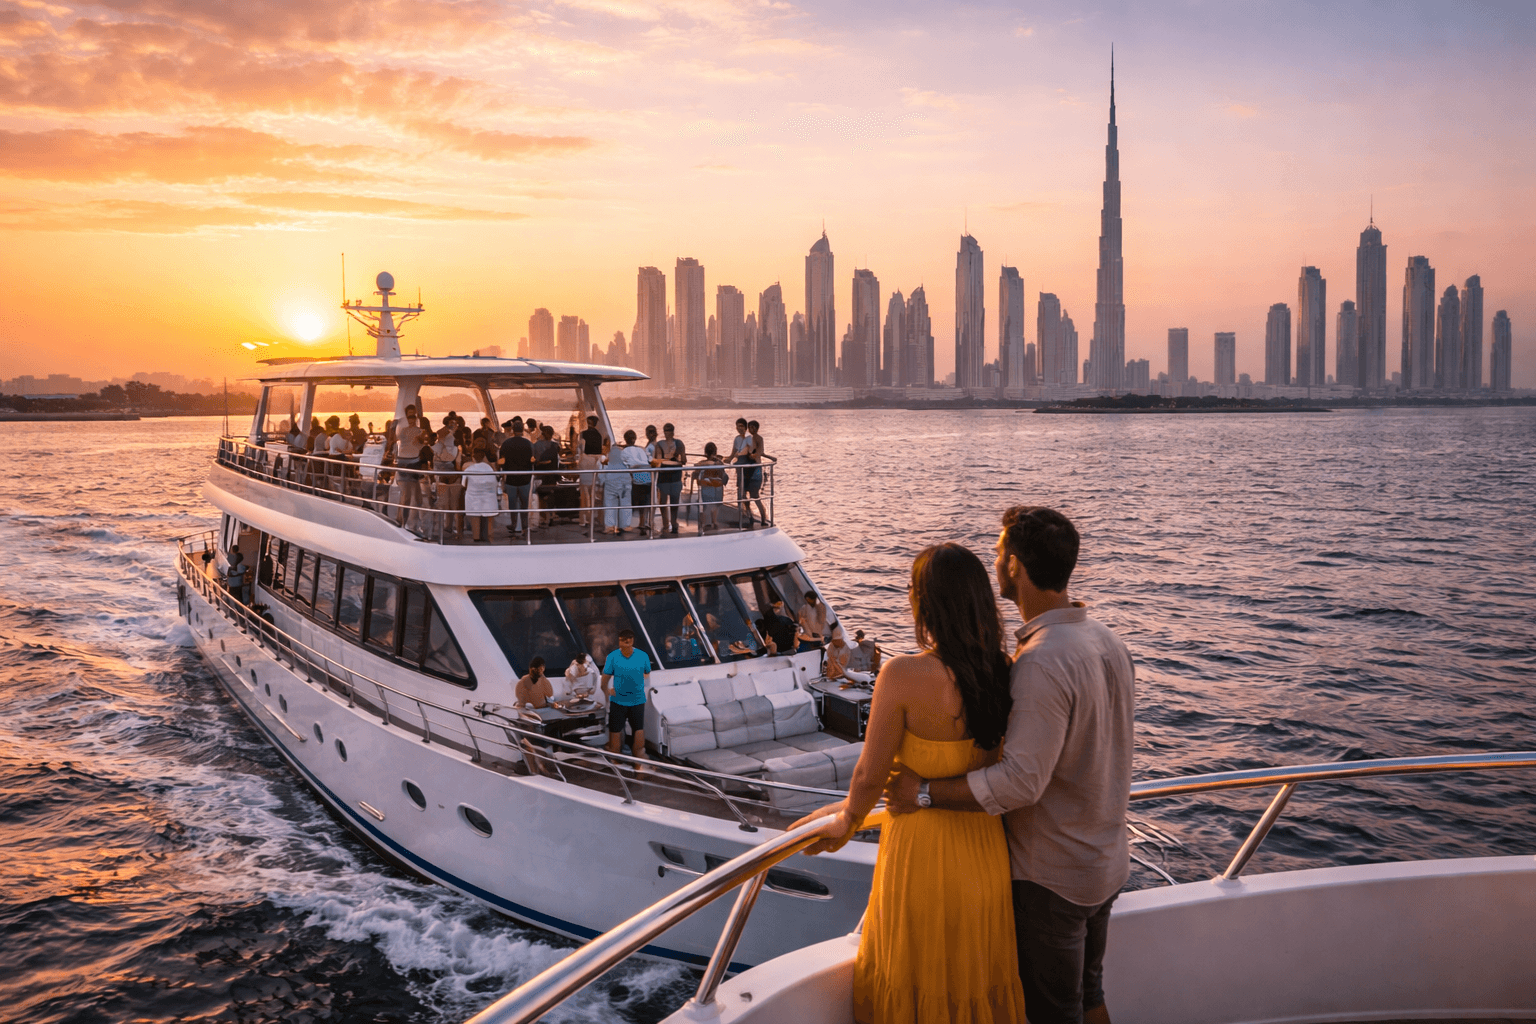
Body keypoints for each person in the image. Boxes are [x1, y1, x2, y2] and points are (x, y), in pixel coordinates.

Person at [885, 507, 1135, 1024]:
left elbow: (1020, 781)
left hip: (1053, 879)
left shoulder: (1042, 660)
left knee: (1053, 1014)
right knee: (1091, 999)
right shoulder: (1106, 640)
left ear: (1016, 566)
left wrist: (923, 791)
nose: (995, 561)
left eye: (998, 553)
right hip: (1104, 863)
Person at [792, 543, 1023, 1024]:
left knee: (915, 982)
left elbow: (870, 775)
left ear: (925, 602)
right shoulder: (1004, 671)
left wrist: (846, 820)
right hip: (984, 856)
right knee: (972, 983)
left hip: (920, 854)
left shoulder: (903, 674)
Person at [601, 629, 651, 759]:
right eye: (624, 639)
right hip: (630, 700)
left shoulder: (613, 657)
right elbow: (647, 675)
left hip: (627, 701)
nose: (626, 641)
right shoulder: (642, 656)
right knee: (636, 731)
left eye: (627, 639)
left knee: (617, 740)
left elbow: (604, 681)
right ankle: (637, 763)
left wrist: (607, 692)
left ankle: (619, 763)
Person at [394, 404, 428, 528]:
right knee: (406, 496)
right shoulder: (404, 430)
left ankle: (412, 523)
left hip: (415, 463)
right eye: (410, 417)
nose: (412, 419)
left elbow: (421, 443)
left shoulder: (420, 431)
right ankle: (401, 523)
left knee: (418, 497)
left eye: (414, 416)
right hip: (405, 463)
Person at [499, 418, 535, 535]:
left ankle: (514, 525)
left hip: (511, 478)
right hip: (525, 477)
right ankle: (525, 527)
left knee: (513, 504)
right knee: (524, 504)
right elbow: (533, 460)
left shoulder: (506, 444)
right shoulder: (528, 444)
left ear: (513, 430)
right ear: (522, 431)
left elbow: (501, 461)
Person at [601, 429, 639, 534]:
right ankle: (625, 525)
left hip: (611, 480)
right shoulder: (630, 451)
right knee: (625, 503)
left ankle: (609, 526)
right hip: (624, 481)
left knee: (609, 504)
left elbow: (605, 463)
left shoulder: (613, 451)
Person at [461, 441, 500, 543]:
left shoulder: (468, 469)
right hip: (489, 498)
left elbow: (463, 484)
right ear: (484, 457)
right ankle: (489, 536)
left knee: (475, 518)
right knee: (489, 518)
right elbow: (495, 483)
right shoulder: (490, 469)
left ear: (473, 457)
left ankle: (476, 537)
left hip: (473, 497)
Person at [653, 422, 686, 535]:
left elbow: (657, 460)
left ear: (664, 432)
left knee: (662, 502)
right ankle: (674, 523)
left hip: (663, 477)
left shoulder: (659, 444)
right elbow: (684, 460)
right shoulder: (679, 443)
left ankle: (666, 524)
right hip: (675, 477)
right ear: (673, 432)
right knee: (674, 503)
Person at [744, 419, 775, 525]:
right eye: (749, 427)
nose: (751, 429)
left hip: (756, 469)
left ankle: (762, 519)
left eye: (753, 427)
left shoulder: (759, 438)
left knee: (755, 495)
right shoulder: (748, 439)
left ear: (757, 428)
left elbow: (760, 451)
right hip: (747, 469)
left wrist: (753, 455)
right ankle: (749, 516)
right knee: (743, 494)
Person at [578, 415, 606, 526]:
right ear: (596, 423)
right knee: (594, 493)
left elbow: (579, 449)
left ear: (587, 422)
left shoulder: (583, 434)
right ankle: (594, 518)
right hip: (596, 463)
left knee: (584, 494)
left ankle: (583, 519)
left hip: (586, 462)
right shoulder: (599, 435)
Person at [533, 424, 562, 527]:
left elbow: (536, 458)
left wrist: (538, 463)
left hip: (542, 474)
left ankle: (544, 518)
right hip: (553, 473)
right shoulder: (556, 445)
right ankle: (551, 515)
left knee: (542, 497)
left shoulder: (538, 445)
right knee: (549, 495)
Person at [631, 424, 658, 535]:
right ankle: (645, 521)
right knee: (647, 499)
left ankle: (645, 522)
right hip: (648, 474)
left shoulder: (651, 446)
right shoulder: (653, 445)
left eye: (649, 432)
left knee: (646, 498)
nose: (648, 434)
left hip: (647, 474)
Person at [695, 442, 728, 531]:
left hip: (707, 485)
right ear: (715, 452)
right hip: (718, 486)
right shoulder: (719, 463)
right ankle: (714, 522)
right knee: (715, 505)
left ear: (705, 453)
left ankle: (706, 523)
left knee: (707, 505)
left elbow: (696, 471)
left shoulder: (701, 463)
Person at [729, 417, 753, 522]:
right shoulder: (737, 439)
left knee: (744, 490)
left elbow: (750, 451)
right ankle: (743, 511)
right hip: (739, 465)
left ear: (745, 427)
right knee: (740, 489)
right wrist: (727, 460)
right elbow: (733, 453)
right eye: (738, 426)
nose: (739, 428)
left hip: (747, 465)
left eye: (741, 426)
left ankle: (748, 512)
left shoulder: (749, 438)